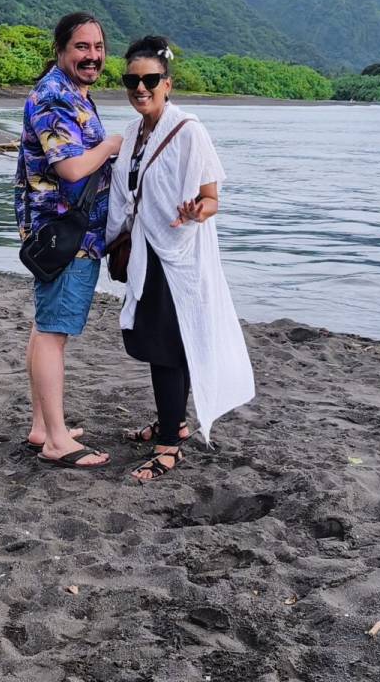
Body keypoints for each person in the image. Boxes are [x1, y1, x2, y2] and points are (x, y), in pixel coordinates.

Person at [105, 36, 255, 483]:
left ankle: (169, 444)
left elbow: (212, 200)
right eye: (132, 80)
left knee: (168, 348)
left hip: (177, 257)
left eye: (150, 79)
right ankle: (175, 423)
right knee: (160, 345)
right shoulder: (132, 134)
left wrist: (196, 212)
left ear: (167, 84)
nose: (140, 88)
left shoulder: (189, 130)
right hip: (146, 255)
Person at [15, 12, 123, 469]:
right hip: (65, 234)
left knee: (46, 326)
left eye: (98, 48)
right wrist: (114, 144)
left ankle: (44, 427)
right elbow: (73, 168)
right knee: (54, 332)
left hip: (69, 231)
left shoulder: (74, 94)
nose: (92, 56)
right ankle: (57, 440)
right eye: (82, 47)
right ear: (61, 49)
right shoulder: (54, 97)